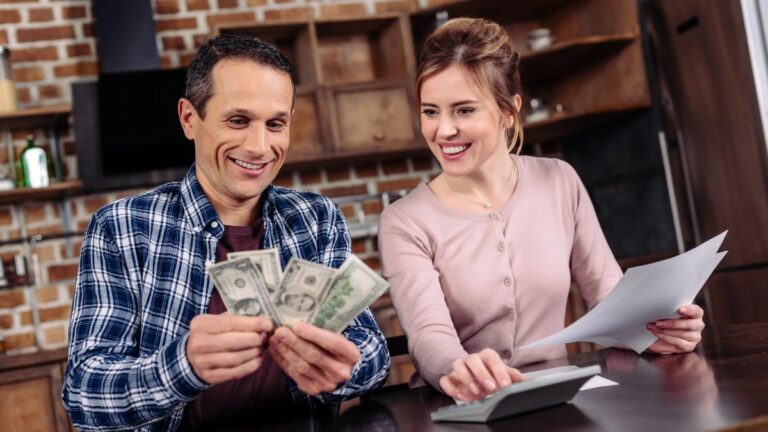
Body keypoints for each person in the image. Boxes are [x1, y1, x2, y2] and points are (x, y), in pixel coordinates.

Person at [62, 34, 390, 431]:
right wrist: (182, 365)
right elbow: (84, 396)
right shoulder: (122, 227)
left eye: (275, 124)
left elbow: (375, 356)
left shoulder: (316, 218)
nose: (259, 146)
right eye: (238, 121)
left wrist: (344, 368)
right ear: (189, 119)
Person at [378, 18, 705, 403]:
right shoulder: (404, 220)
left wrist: (657, 330)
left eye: (464, 111)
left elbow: (610, 298)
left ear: (509, 111)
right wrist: (456, 369)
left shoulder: (559, 180)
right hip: (459, 408)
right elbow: (427, 334)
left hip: (557, 399)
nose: (443, 130)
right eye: (430, 112)